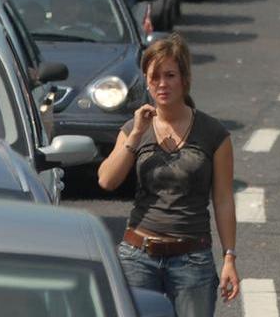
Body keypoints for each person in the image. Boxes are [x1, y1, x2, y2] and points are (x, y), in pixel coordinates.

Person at [97, 34, 239, 316]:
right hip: (138, 257)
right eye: (155, 77)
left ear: (184, 79)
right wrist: (136, 134)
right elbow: (107, 180)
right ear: (147, 82)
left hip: (192, 261)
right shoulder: (134, 128)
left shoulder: (213, 134)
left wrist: (229, 258)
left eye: (170, 75)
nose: (162, 84)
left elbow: (223, 200)